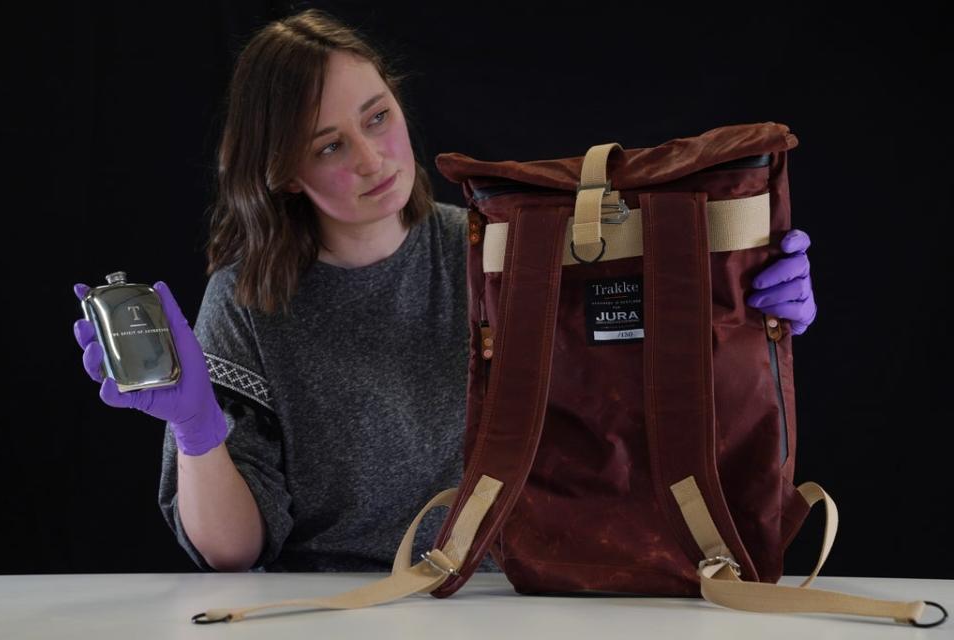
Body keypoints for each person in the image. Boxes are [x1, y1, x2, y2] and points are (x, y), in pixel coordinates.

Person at [71, 8, 817, 574]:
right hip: (332, 607)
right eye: (330, 145)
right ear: (280, 173)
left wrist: (744, 318)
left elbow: (636, 381)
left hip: (521, 593)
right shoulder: (246, 301)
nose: (372, 159)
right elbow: (233, 554)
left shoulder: (502, 245)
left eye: (378, 119)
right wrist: (197, 429)